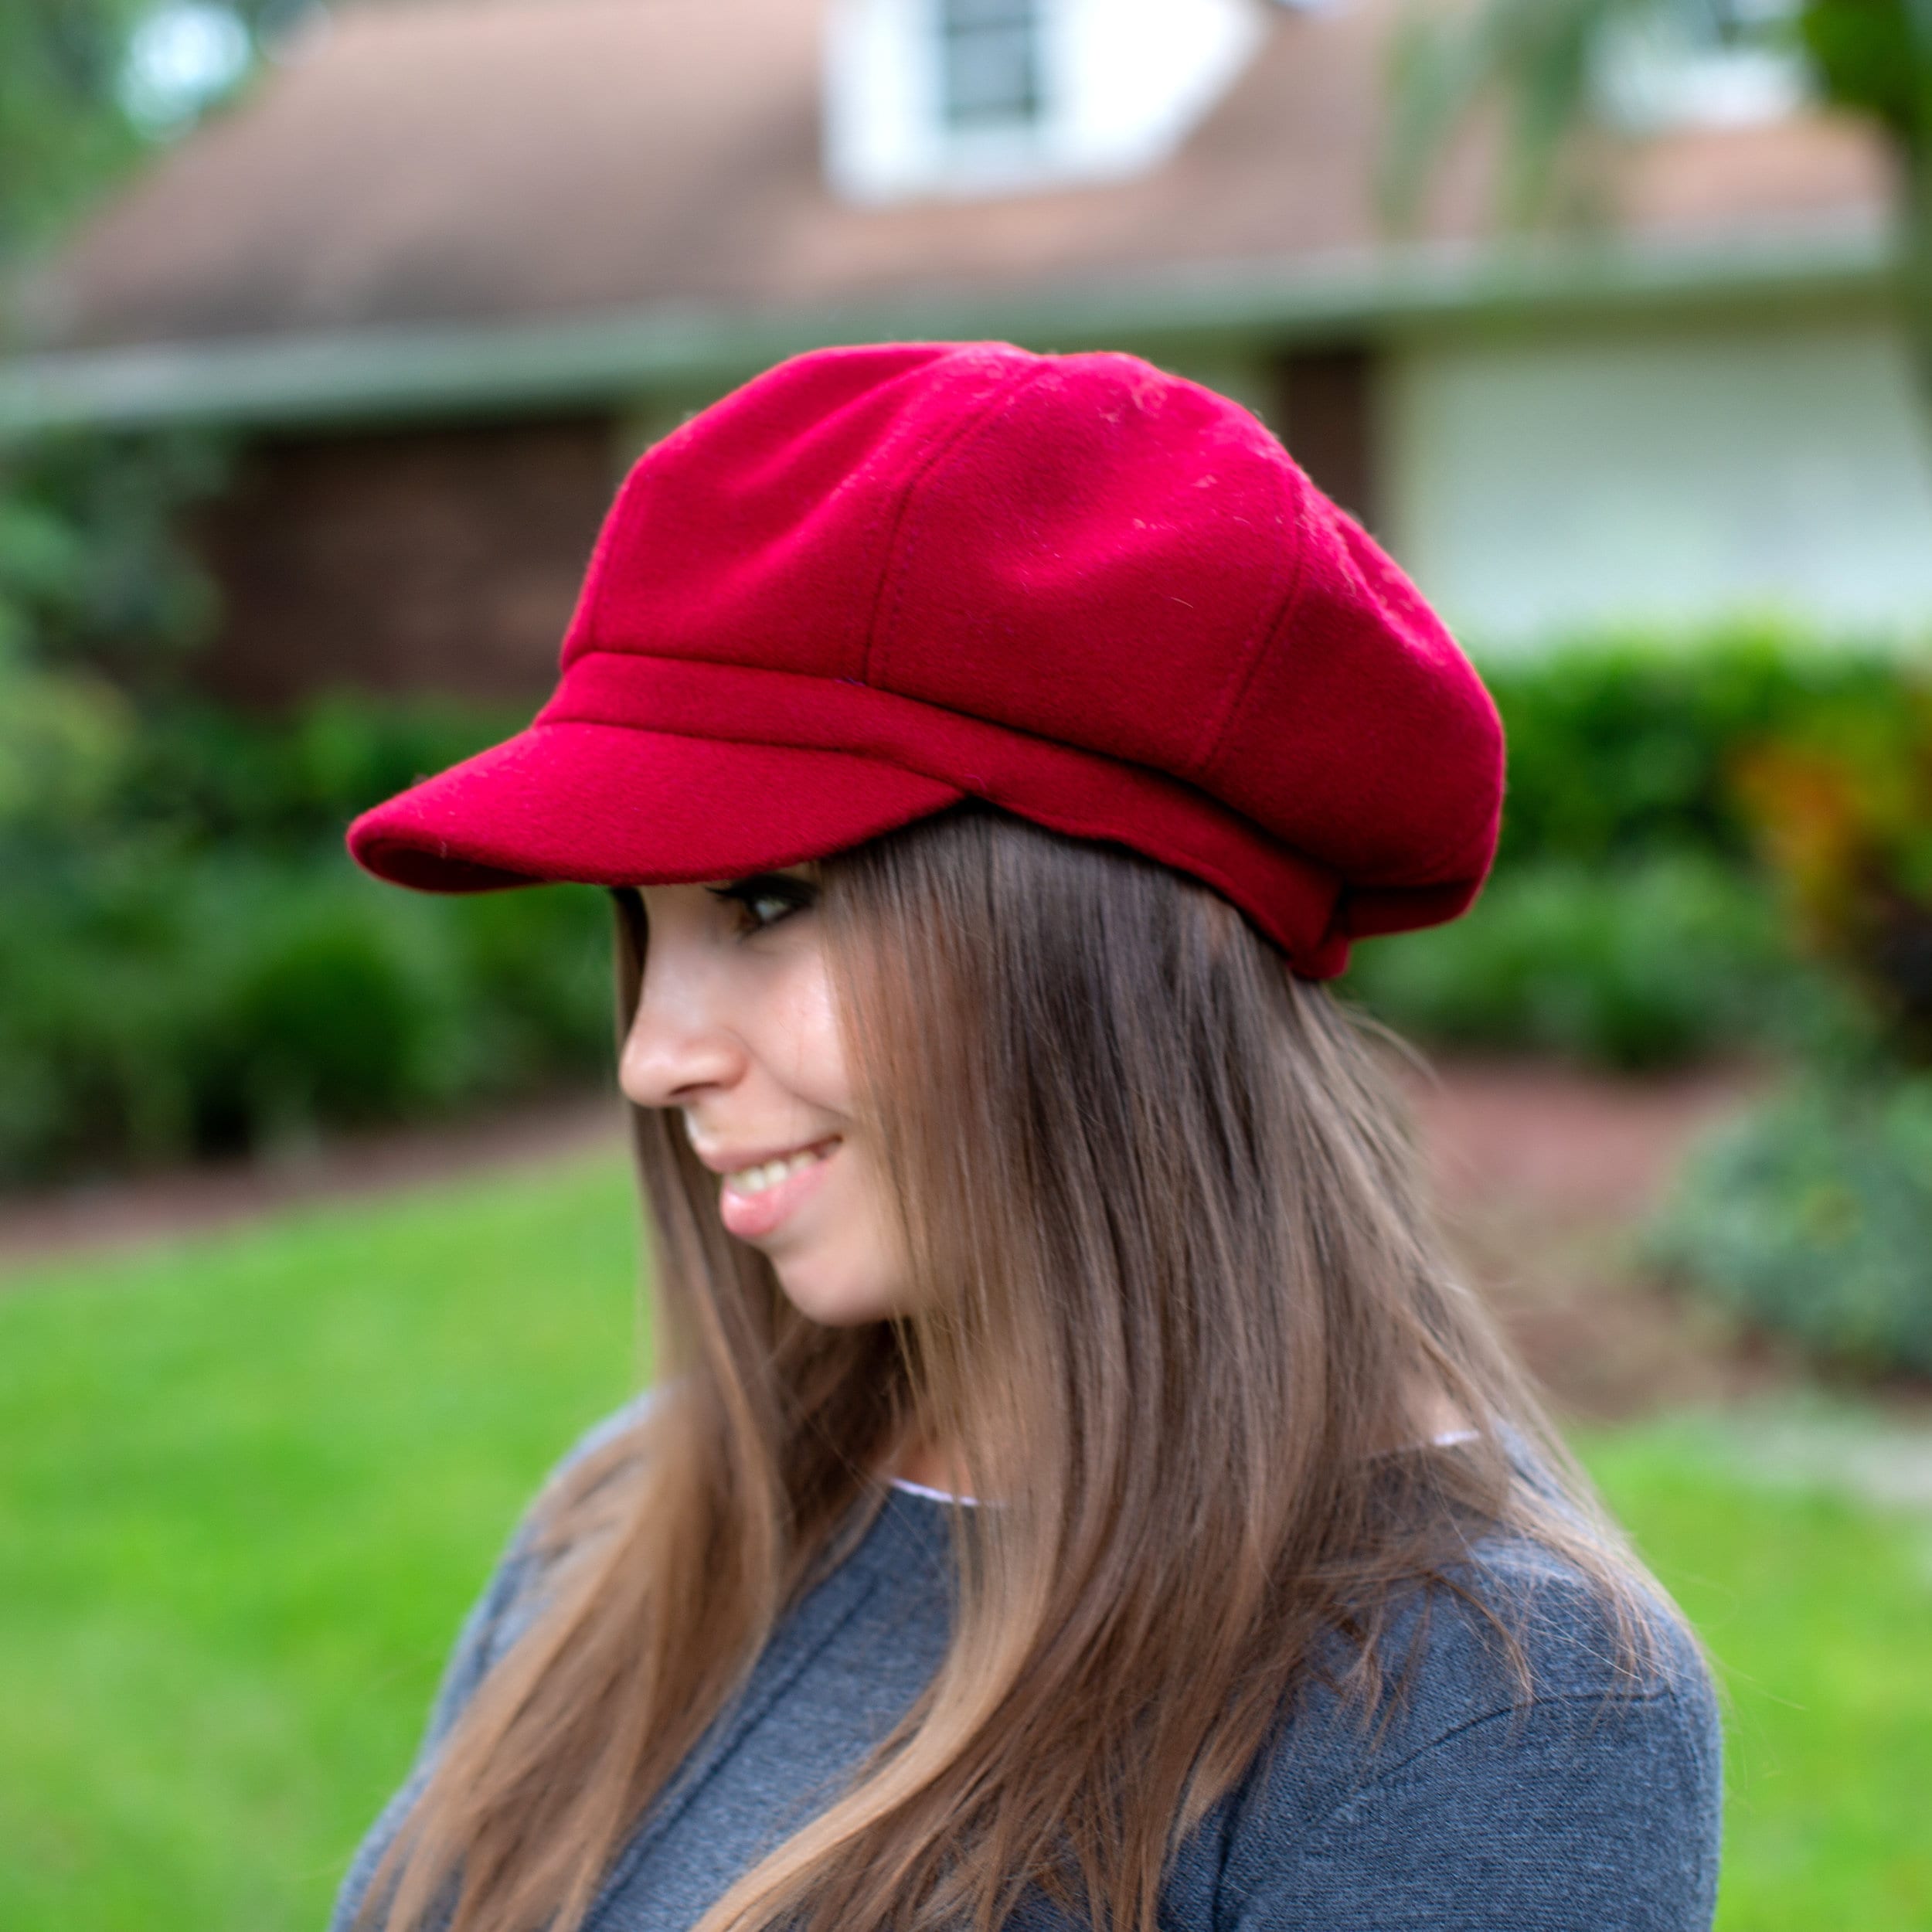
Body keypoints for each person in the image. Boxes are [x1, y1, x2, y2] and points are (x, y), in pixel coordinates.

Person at [334, 341, 1722, 1932]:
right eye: (636, 924)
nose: (653, 1052)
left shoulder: (1472, 1706)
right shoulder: (628, 1518)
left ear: (1119, 941)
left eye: (767, 900)